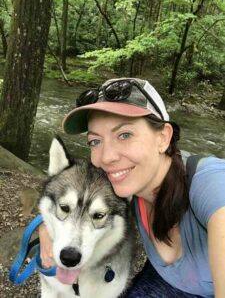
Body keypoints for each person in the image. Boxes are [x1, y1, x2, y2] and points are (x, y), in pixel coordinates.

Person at [39, 78, 225, 298]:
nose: (106, 157)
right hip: (163, 280)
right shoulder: (127, 189)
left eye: (124, 135)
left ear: (163, 137)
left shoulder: (211, 184)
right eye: (95, 141)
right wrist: (46, 228)